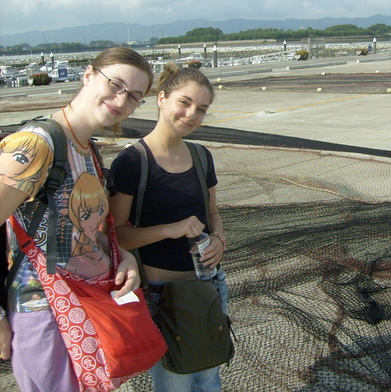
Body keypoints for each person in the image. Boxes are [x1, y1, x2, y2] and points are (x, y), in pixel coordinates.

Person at [0, 46, 154, 391]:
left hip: (86, 303)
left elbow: (81, 232)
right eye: (115, 84)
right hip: (44, 309)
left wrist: (122, 255)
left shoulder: (88, 149)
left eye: (134, 96)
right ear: (88, 75)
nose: (121, 99)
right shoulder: (39, 144)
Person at [109, 63, 228, 392]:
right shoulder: (133, 161)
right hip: (162, 294)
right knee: (174, 381)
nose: (192, 114)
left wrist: (218, 238)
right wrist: (168, 229)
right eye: (184, 102)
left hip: (209, 285)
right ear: (161, 99)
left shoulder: (202, 156)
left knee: (208, 378)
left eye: (201, 109)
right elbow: (117, 233)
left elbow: (213, 213)